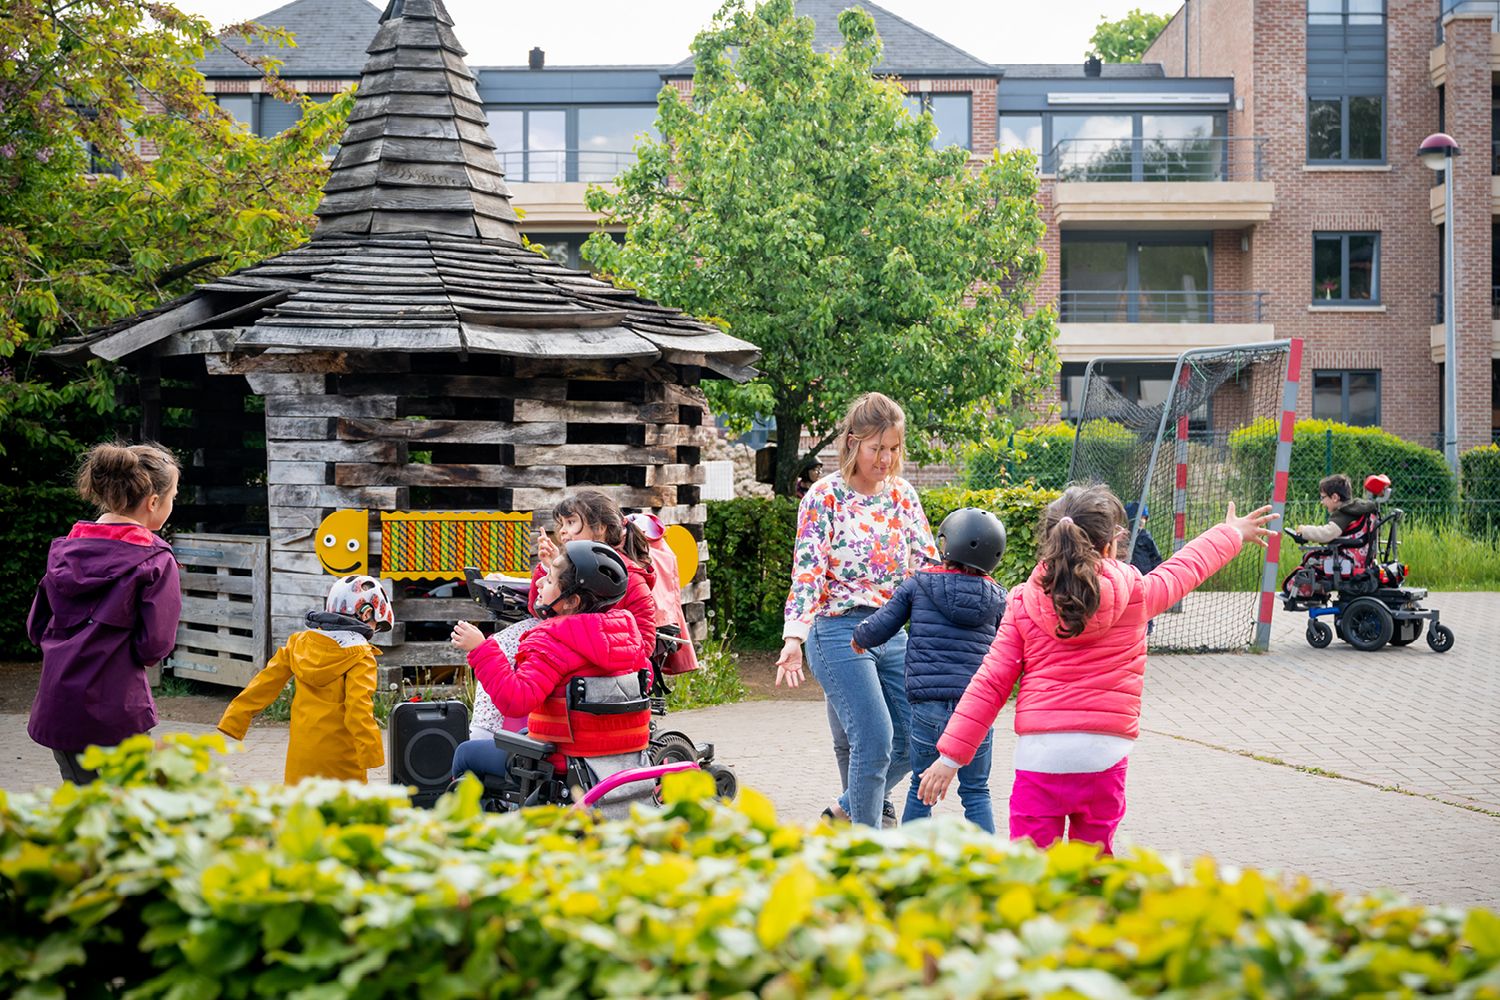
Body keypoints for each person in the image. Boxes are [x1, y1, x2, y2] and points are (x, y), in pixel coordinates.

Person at [918, 485, 1275, 856]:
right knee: (1094, 863)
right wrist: (1231, 532)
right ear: (1110, 545)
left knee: (1031, 865)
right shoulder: (1135, 591)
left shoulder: (1024, 600)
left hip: (1042, 753)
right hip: (1105, 751)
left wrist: (950, 758)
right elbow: (1184, 569)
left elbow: (991, 683)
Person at [776, 391, 938, 828]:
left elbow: (926, 566)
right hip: (838, 631)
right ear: (852, 442)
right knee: (875, 739)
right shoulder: (824, 497)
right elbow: (808, 572)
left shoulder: (903, 496)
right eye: (876, 448)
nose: (885, 459)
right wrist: (795, 637)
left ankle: (845, 811)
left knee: (918, 740)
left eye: (892, 449)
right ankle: (868, 852)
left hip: (892, 629)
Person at [27, 442, 182, 784]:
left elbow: (36, 628)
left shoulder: (66, 551)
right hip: (117, 706)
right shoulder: (155, 560)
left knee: (82, 807)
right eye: (172, 497)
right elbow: (153, 645)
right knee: (128, 812)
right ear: (153, 502)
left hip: (59, 702)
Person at [852, 507, 1008, 831]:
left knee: (920, 788)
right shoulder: (998, 598)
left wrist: (860, 637)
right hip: (975, 710)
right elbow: (1008, 647)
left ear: (947, 544)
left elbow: (883, 624)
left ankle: (911, 860)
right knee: (977, 791)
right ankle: (990, 866)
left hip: (928, 708)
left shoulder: (920, 584)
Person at [448, 541, 652, 782]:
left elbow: (516, 700)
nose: (539, 582)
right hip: (621, 756)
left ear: (571, 601)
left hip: (561, 759)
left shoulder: (552, 641)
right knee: (522, 734)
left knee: (465, 753)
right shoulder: (627, 635)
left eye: (550, 580)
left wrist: (481, 649)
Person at [218, 574, 389, 784]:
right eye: (376, 624)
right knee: (342, 811)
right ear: (366, 613)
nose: (375, 630)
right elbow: (358, 708)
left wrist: (235, 718)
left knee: (300, 809)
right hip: (342, 757)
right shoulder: (361, 656)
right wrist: (371, 753)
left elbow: (265, 682)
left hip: (302, 752)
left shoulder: (298, 643)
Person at [1292, 474, 1379, 544]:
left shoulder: (1345, 513)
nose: (1322, 502)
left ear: (1334, 497)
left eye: (1323, 497)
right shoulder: (1358, 509)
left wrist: (1305, 530)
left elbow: (1327, 534)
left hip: (1344, 559)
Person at [1124, 502, 1163, 635]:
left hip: (1145, 575)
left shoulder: (1145, 537)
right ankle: (1130, 625)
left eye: (1143, 519)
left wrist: (1157, 570)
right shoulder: (1124, 537)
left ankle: (1148, 625)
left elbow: (1155, 556)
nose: (1141, 522)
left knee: (1146, 601)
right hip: (1128, 576)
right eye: (1138, 519)